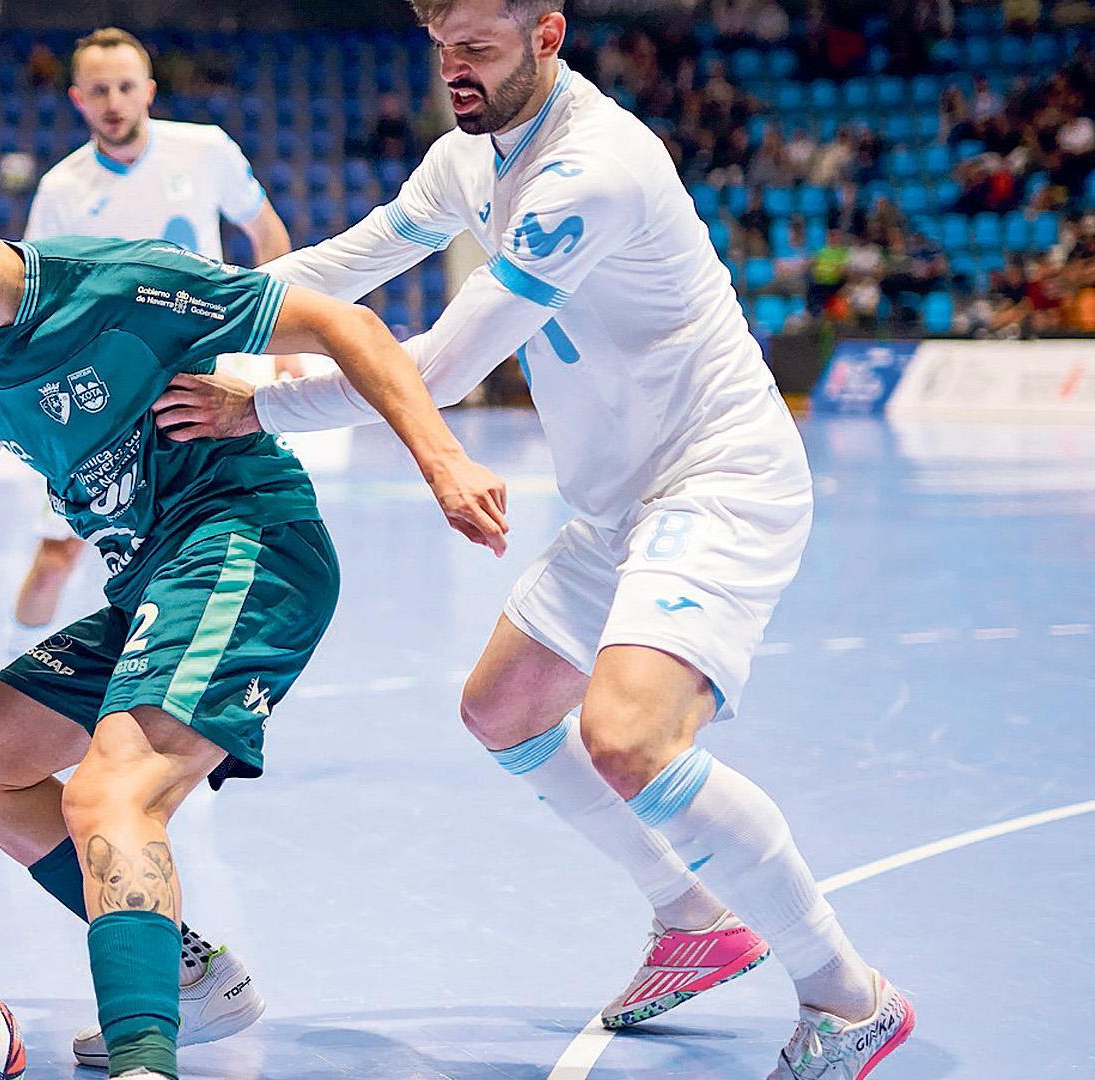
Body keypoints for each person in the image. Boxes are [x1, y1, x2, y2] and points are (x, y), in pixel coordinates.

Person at [149, 2, 913, 1076]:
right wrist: (182, 309)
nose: (454, 70)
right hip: (616, 501)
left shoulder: (590, 168)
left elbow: (448, 367)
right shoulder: (471, 156)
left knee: (632, 739)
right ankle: (691, 919)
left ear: (548, 36)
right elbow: (354, 258)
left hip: (715, 478)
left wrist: (254, 406)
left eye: (479, 49)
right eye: (442, 48)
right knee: (504, 708)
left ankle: (850, 996)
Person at [0, 124, 504, 1080]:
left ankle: (145, 1059)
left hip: (245, 540)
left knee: (110, 792)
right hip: (146, 581)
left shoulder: (122, 285)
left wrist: (444, 458)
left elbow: (349, 326)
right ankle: (187, 973)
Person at [5, 26, 296, 660]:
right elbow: (36, 297)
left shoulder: (205, 151)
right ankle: (13, 674)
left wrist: (280, 338)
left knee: (212, 538)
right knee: (58, 555)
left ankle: (205, 681)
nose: (114, 101)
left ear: (149, 92)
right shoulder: (61, 190)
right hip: (100, 402)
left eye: (126, 87)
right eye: (99, 90)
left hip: (198, 385)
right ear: (78, 99)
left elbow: (264, 229)